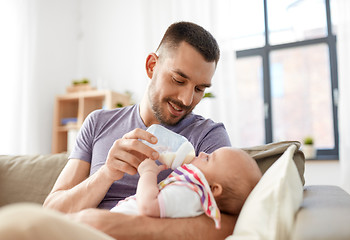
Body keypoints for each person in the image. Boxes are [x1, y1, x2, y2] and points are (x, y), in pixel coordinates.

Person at [0, 21, 235, 240]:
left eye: (199, 88)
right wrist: (106, 173)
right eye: (178, 80)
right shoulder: (98, 123)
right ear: (152, 66)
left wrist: (122, 226)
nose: (186, 99)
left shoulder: (208, 137)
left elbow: (230, 223)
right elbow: (52, 211)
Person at [110, 147, 262, 230]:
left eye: (208, 158)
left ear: (214, 189)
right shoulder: (191, 191)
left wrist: (148, 173)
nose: (202, 153)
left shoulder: (192, 193)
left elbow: (148, 207)